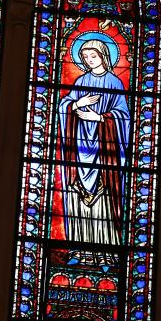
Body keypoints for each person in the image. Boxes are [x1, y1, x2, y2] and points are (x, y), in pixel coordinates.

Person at [58, 39, 130, 246]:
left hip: (104, 150)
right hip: (79, 147)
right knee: (77, 195)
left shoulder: (114, 83)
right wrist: (76, 104)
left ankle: (106, 250)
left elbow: (123, 117)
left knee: (103, 199)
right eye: (85, 57)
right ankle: (78, 247)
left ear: (103, 57)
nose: (89, 60)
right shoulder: (81, 81)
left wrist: (99, 118)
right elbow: (64, 106)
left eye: (93, 56)